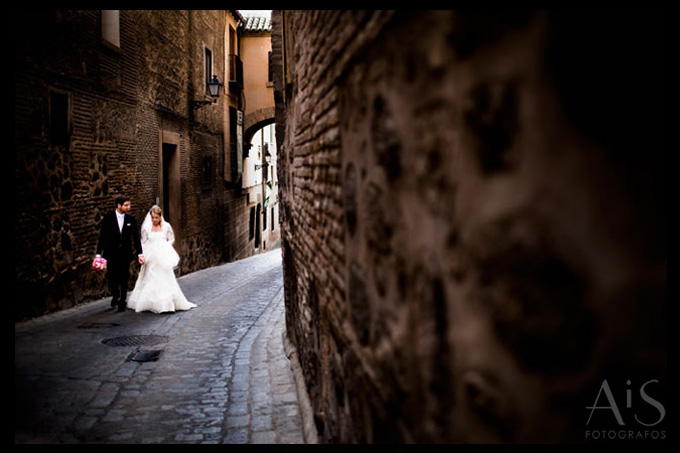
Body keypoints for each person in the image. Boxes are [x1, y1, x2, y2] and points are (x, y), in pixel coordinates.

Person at [127, 205, 197, 313]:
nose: (154, 220)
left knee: (164, 277)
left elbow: (171, 239)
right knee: (150, 277)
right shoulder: (147, 227)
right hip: (151, 256)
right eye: (152, 218)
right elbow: (143, 242)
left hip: (162, 256)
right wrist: (143, 254)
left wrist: (165, 247)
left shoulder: (166, 227)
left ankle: (165, 303)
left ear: (160, 217)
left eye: (156, 218)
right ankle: (150, 302)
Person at [95, 195, 145, 312]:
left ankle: (122, 300)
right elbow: (102, 237)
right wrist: (98, 254)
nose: (129, 207)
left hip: (125, 254)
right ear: (119, 206)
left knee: (124, 276)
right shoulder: (108, 218)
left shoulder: (130, 219)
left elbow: (136, 238)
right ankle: (115, 294)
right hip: (111, 253)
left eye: (129, 205)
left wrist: (139, 254)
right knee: (112, 276)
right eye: (126, 205)